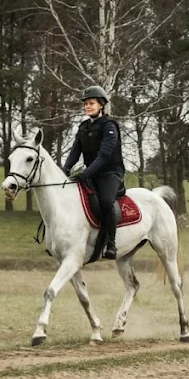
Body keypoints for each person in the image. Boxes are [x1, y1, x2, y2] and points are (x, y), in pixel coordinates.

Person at [62, 85, 124, 260]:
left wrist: (86, 173)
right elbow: (75, 152)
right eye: (86, 104)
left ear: (101, 105)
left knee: (105, 201)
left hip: (111, 173)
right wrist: (65, 170)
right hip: (91, 173)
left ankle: (111, 243)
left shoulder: (109, 126)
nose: (88, 106)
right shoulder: (83, 127)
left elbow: (105, 155)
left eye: (91, 103)